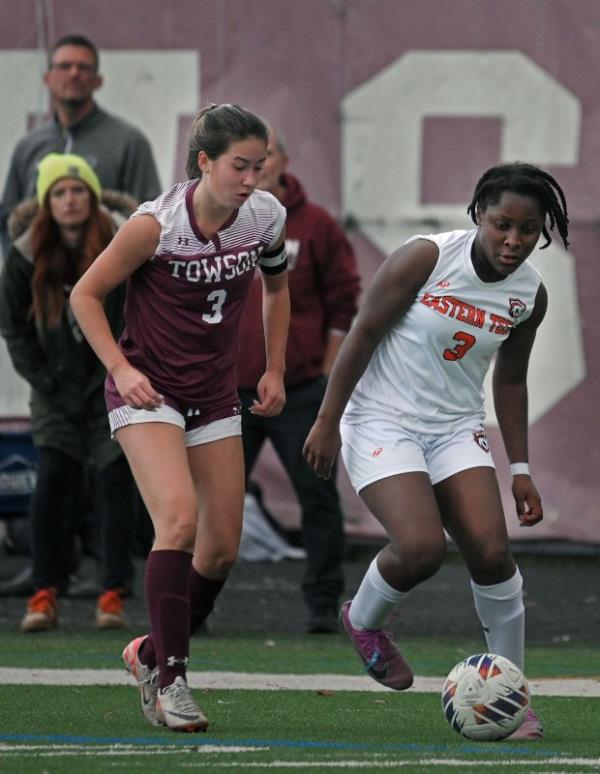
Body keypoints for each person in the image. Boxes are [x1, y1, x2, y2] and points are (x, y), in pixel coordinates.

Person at [303, 163, 570, 741]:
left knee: (493, 552)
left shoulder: (530, 294)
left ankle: (513, 696)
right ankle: (364, 621)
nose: (513, 241)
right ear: (478, 214)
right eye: (502, 224)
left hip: (453, 426)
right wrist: (327, 420)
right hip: (382, 418)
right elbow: (362, 335)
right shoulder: (425, 258)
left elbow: (512, 382)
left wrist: (519, 470)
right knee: (421, 548)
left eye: (528, 230)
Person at [70, 103, 289, 732]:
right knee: (180, 520)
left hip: (214, 393)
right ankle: (171, 682)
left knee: (221, 551)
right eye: (239, 167)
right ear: (204, 162)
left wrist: (273, 369)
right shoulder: (155, 225)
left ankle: (147, 649)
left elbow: (278, 288)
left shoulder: (265, 217)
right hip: (150, 392)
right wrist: (120, 369)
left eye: (260, 165)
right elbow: (85, 295)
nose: (251, 180)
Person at [0, 152, 139, 631]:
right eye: (59, 192)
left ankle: (113, 592)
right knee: (54, 477)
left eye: (79, 190)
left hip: (113, 381)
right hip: (55, 386)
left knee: (115, 480)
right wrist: (43, 377)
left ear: (94, 197)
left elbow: (145, 307)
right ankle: (43, 592)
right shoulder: (25, 254)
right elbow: (13, 327)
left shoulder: (125, 240)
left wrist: (129, 368)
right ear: (46, 203)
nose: (70, 199)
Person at [238, 128, 360, 633]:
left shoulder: (316, 226)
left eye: (265, 157)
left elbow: (345, 302)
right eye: (245, 159)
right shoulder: (218, 220)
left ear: (284, 161)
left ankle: (322, 603)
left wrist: (326, 373)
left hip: (299, 386)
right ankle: (192, 601)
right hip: (228, 389)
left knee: (316, 496)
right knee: (212, 501)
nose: (257, 167)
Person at [0, 33, 161, 256]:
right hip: (39, 281)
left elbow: (151, 216)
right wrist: (19, 272)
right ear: (47, 78)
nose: (74, 73)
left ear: (98, 80)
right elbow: (7, 220)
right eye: (64, 66)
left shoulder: (129, 142)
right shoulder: (28, 146)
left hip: (105, 282)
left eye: (83, 67)